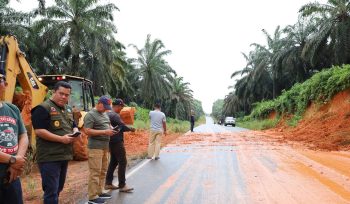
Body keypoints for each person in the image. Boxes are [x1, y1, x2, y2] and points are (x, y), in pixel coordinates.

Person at [31, 81, 79, 204]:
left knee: (58, 188)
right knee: (51, 191)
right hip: (49, 157)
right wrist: (61, 139)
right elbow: (39, 131)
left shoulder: (68, 109)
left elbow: (73, 124)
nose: (64, 97)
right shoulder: (42, 108)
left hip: (64, 155)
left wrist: (75, 131)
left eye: (67, 95)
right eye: (61, 93)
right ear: (54, 92)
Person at [0, 74, 29, 204]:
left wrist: (17, 162)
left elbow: (23, 135)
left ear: (5, 85)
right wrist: (12, 160)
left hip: (11, 173)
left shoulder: (13, 109)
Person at [84, 96, 117, 204]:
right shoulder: (90, 115)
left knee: (103, 170)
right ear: (99, 104)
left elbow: (108, 125)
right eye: (104, 107)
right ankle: (92, 197)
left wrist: (112, 129)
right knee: (95, 172)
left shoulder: (104, 114)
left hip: (105, 147)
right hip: (95, 148)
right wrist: (104, 132)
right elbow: (87, 131)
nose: (106, 109)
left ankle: (99, 191)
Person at [105, 98, 135, 193]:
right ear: (117, 106)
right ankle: (122, 185)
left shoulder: (107, 114)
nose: (121, 109)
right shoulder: (114, 115)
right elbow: (123, 126)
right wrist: (131, 129)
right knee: (123, 161)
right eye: (121, 107)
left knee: (113, 161)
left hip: (110, 141)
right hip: (117, 142)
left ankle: (108, 183)